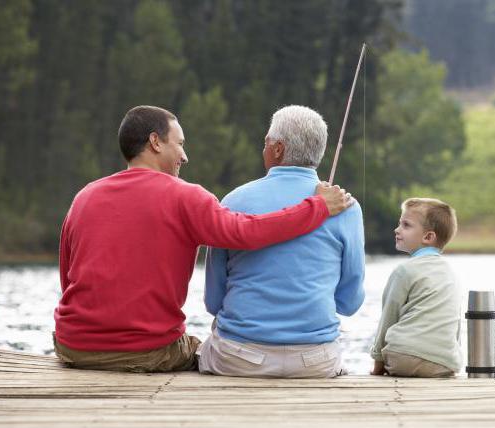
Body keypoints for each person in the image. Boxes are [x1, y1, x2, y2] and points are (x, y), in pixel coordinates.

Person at [53, 105, 354, 373]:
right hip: (147, 352)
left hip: (73, 347)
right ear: (155, 142)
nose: (185, 155)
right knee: (197, 350)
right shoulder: (185, 196)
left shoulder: (85, 196)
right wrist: (317, 207)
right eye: (180, 144)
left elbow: (68, 277)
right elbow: (244, 232)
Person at [198, 105, 365, 378]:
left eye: (265, 142)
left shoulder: (233, 201)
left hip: (239, 359)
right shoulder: (347, 207)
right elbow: (349, 303)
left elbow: (213, 301)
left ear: (277, 149)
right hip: (315, 361)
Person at [369, 197, 462, 377]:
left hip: (403, 358)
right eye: (399, 223)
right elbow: (454, 322)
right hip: (443, 363)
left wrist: (378, 364)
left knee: (398, 346)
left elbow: (389, 317)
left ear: (428, 237)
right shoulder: (451, 273)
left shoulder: (404, 270)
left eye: (406, 225)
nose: (397, 229)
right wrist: (452, 357)